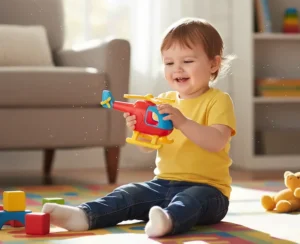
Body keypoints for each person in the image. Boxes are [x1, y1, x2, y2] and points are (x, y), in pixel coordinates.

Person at [42, 17, 237, 238]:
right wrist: (140, 130)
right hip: (163, 184)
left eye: (188, 61)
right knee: (128, 193)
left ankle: (169, 220)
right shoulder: (163, 100)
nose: (177, 69)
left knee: (190, 201)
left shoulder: (218, 100)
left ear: (213, 64)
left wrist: (183, 123)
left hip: (209, 191)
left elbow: (216, 142)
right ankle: (84, 216)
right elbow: (147, 147)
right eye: (169, 63)